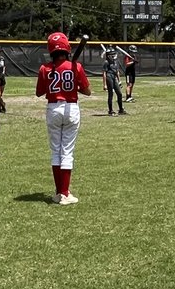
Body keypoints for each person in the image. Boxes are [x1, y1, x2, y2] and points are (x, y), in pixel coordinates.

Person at [36, 31, 91, 204]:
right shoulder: (76, 66)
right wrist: (73, 84)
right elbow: (87, 91)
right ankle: (65, 194)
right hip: (71, 108)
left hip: (53, 108)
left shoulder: (44, 68)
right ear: (67, 47)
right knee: (67, 151)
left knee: (56, 151)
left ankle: (60, 192)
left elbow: (39, 92)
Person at [102, 47, 127, 115]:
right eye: (112, 54)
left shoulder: (115, 62)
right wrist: (105, 84)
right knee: (111, 94)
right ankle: (110, 110)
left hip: (114, 77)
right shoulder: (106, 63)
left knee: (119, 93)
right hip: (109, 77)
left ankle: (121, 109)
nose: (114, 56)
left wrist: (119, 81)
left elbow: (117, 72)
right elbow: (104, 73)